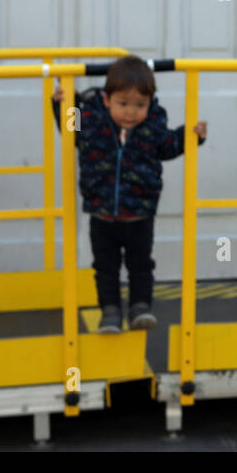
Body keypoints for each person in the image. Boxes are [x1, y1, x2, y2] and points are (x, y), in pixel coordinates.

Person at [51, 55, 207, 333]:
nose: (131, 113)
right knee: (105, 267)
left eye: (140, 105)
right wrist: (62, 104)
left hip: (140, 213)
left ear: (150, 104)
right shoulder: (93, 122)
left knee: (141, 264)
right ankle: (109, 311)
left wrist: (192, 136)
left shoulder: (152, 128)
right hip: (101, 213)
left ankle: (140, 307)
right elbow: (71, 131)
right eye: (123, 104)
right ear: (108, 99)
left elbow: (170, 146)